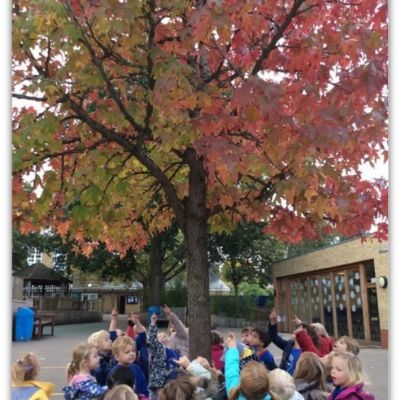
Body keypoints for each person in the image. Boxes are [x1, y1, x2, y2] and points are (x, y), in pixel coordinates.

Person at [224, 333, 275, 400]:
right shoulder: (274, 396)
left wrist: (232, 347)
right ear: (267, 386)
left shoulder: (233, 391)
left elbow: (231, 368)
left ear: (240, 384)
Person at [147, 313, 180, 400]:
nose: (163, 337)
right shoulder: (159, 349)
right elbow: (153, 340)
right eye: (160, 336)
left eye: (164, 335)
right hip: (160, 384)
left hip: (172, 383)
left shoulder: (174, 351)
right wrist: (153, 323)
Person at [268, 309, 302, 375]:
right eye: (297, 328)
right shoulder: (289, 345)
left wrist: (302, 324)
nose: (297, 329)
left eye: (301, 328)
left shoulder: (307, 350)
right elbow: (274, 337)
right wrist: (273, 322)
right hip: (283, 379)